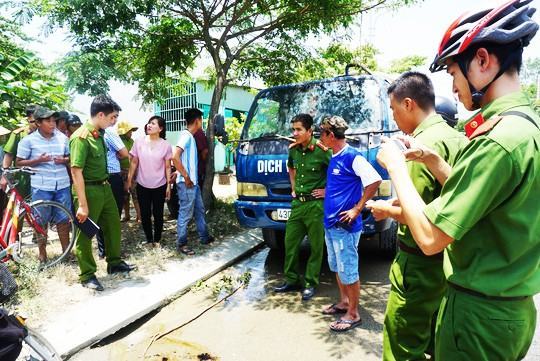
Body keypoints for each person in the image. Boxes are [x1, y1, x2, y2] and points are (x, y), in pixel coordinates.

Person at [375, 1, 539, 359]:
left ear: (482, 61)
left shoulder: (498, 139)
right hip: (508, 309)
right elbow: (486, 199)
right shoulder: (524, 126)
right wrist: (434, 160)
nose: (452, 85)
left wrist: (396, 167)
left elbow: (432, 237)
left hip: (477, 317)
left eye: (453, 71)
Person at [365, 72, 468, 360]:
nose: (395, 119)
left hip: (420, 265)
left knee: (403, 345)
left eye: (395, 110)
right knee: (437, 339)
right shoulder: (458, 139)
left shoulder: (417, 148)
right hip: (451, 262)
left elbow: (421, 217)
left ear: (409, 104)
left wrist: (386, 210)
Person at [318, 115, 381, 332]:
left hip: (345, 228)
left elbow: (374, 181)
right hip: (331, 225)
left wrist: (357, 208)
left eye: (322, 132)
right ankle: (344, 302)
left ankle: (353, 314)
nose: (320, 136)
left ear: (331, 135)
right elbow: (342, 184)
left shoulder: (353, 157)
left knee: (349, 270)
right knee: (337, 267)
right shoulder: (335, 155)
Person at [70, 94, 135, 291]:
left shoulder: (101, 135)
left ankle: (114, 263)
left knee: (113, 225)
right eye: (112, 117)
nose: (113, 121)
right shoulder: (81, 137)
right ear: (100, 114)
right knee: (85, 233)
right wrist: (82, 204)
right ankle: (87, 275)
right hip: (88, 190)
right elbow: (76, 171)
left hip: (105, 187)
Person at [274, 114, 331, 301]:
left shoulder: (322, 151)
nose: (295, 133)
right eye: (293, 129)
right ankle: (291, 280)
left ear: (309, 131)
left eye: (298, 129)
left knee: (316, 247)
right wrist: (293, 187)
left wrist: (326, 191)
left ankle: (310, 283)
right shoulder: (294, 150)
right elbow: (291, 168)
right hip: (298, 204)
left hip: (315, 205)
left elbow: (338, 173)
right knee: (290, 242)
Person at [15, 106, 72, 263]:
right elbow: (19, 162)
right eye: (48, 121)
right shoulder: (28, 141)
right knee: (40, 221)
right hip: (41, 186)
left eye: (54, 120)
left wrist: (64, 160)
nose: (52, 124)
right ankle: (42, 254)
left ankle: (66, 252)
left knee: (63, 219)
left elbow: (71, 158)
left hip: (62, 185)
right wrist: (38, 160)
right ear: (38, 123)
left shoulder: (62, 138)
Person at [172, 108, 214, 256]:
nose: (201, 123)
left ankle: (204, 237)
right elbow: (175, 157)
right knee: (185, 213)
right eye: (201, 121)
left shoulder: (190, 136)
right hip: (187, 183)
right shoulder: (186, 136)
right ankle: (181, 244)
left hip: (193, 184)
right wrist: (186, 176)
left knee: (199, 210)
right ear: (197, 121)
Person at [127, 116, 172, 246]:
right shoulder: (139, 142)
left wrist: (169, 185)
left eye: (153, 124)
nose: (149, 125)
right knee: (145, 214)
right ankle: (148, 239)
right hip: (142, 184)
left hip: (160, 185)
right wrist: (129, 179)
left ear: (161, 128)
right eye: (148, 123)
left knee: (158, 214)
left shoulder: (166, 145)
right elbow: (134, 161)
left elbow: (168, 166)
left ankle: (157, 239)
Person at [93, 117, 129, 258]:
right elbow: (124, 153)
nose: (114, 120)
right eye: (113, 116)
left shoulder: (92, 132)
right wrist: (114, 155)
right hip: (112, 176)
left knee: (100, 214)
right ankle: (113, 251)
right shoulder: (109, 132)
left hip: (98, 176)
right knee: (113, 215)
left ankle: (103, 251)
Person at [0, 104, 37, 196]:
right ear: (28, 119)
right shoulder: (18, 135)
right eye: (33, 121)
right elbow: (9, 155)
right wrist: (5, 176)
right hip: (22, 177)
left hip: (41, 177)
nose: (37, 125)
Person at [117, 120, 141, 223]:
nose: (131, 133)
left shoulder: (132, 141)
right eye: (129, 131)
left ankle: (139, 216)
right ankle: (126, 215)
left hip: (132, 170)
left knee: (135, 194)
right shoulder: (117, 141)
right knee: (124, 195)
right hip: (121, 171)